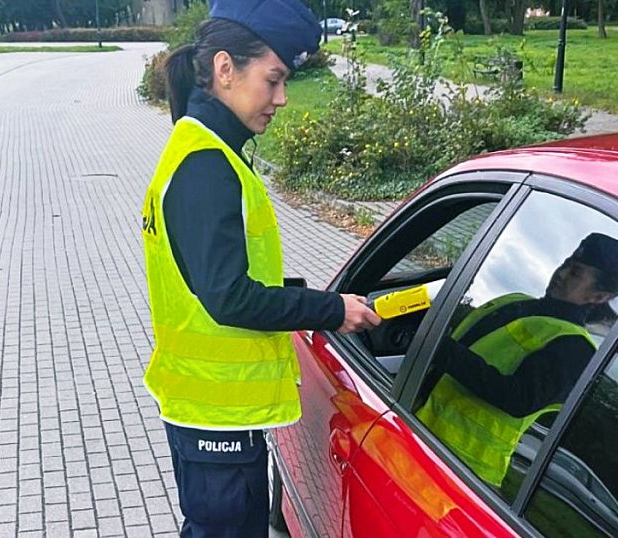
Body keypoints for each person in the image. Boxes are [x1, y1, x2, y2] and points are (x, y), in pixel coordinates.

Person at [140, 1, 382, 536]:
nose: (282, 97)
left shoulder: (206, 149)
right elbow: (230, 298)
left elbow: (228, 279)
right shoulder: (207, 165)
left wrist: (318, 299)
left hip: (213, 411)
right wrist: (329, 310)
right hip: (214, 417)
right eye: (273, 79)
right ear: (225, 69)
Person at [416, 233, 618, 487]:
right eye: (566, 264)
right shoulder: (515, 302)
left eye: (576, 273)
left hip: (463, 473)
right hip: (419, 432)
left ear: (598, 297)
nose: (561, 273)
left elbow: (518, 398)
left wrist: (438, 346)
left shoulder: (575, 347)